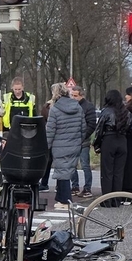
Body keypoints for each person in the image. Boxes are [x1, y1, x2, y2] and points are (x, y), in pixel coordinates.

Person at [45, 82, 84, 210]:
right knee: (67, 170)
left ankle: (65, 200)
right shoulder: (78, 107)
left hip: (60, 145)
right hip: (75, 143)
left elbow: (50, 131)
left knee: (62, 172)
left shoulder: (55, 109)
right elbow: (83, 127)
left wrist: (46, 147)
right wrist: (79, 140)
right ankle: (61, 197)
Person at [93, 90, 131, 207]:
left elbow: (99, 130)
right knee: (119, 172)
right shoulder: (126, 112)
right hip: (122, 141)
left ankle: (107, 200)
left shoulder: (106, 112)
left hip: (109, 141)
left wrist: (97, 145)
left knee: (107, 172)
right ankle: (116, 200)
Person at [69, 84, 97, 199]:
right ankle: (75, 187)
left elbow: (91, 124)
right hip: (72, 139)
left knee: (85, 164)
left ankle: (87, 188)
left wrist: (83, 136)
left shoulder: (88, 107)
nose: (73, 98)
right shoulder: (71, 106)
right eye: (72, 95)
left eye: (75, 96)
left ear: (81, 96)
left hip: (83, 140)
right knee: (72, 165)